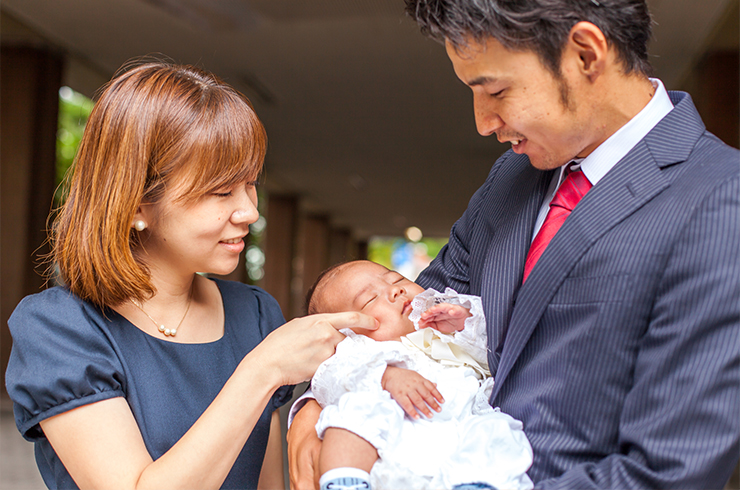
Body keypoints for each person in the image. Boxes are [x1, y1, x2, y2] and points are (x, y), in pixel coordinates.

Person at [287, 1, 740, 489]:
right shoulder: (511, 178)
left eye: (496, 89)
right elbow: (406, 329)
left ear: (586, 54)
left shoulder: (719, 199)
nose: (483, 122)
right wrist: (312, 408)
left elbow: (669, 469)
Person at [4, 61, 377, 490]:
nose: (250, 212)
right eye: (221, 192)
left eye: (251, 184)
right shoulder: (59, 328)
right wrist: (262, 370)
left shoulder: (254, 314)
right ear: (137, 204)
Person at [305, 260, 533, 490]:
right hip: (394, 447)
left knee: (496, 429)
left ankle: (476, 484)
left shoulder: (448, 332)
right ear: (347, 330)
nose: (396, 290)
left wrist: (465, 323)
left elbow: (498, 351)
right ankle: (346, 480)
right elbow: (329, 377)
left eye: (397, 279)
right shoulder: (358, 350)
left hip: (456, 444)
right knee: (351, 411)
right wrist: (385, 376)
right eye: (369, 299)